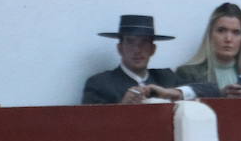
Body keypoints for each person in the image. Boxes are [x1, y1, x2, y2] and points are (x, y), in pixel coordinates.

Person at [81, 15, 220, 105]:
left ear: (153, 49)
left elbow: (213, 90)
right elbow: (88, 126)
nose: (137, 49)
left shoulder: (166, 78)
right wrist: (121, 107)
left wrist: (172, 93)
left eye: (144, 42)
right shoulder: (100, 83)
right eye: (130, 42)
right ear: (120, 48)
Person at [175, 2, 241, 98]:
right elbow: (184, 111)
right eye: (221, 30)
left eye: (236, 32)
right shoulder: (188, 73)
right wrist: (220, 96)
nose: (228, 39)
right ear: (210, 35)